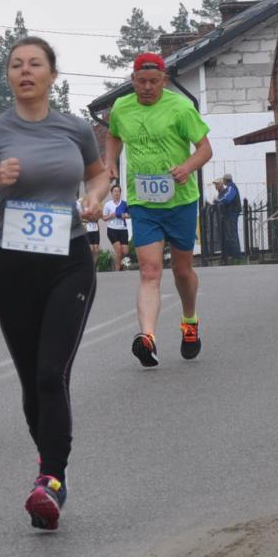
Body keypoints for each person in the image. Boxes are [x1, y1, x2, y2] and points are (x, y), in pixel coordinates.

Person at [0, 36, 110, 532]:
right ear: (8, 76)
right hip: (15, 267)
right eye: (16, 64)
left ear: (52, 75)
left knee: (50, 373)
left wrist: (95, 198)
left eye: (35, 64)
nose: (25, 71)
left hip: (69, 261)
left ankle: (51, 480)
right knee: (30, 380)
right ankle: (47, 474)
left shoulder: (75, 128)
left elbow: (100, 175)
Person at [105, 52, 214, 367]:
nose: (147, 88)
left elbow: (205, 149)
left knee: (182, 270)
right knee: (149, 271)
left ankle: (189, 322)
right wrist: (110, 160)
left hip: (180, 201)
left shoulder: (180, 107)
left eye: (154, 81)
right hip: (143, 203)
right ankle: (148, 338)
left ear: (164, 80)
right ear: (132, 80)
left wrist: (187, 167)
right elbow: (113, 135)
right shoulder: (121, 107)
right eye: (141, 82)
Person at [211, 173, 242, 258]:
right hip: (231, 213)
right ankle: (234, 255)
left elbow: (227, 198)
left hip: (232, 212)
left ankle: (236, 255)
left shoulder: (231, 187)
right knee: (231, 233)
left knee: (232, 233)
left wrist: (218, 201)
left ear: (224, 180)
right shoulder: (231, 187)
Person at [103, 184, 131, 271]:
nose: (116, 193)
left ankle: (120, 265)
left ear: (120, 193)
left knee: (125, 251)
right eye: (115, 191)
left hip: (123, 229)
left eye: (118, 191)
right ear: (111, 193)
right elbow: (104, 218)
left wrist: (125, 216)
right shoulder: (108, 204)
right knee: (118, 250)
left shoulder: (124, 204)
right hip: (112, 229)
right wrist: (111, 216)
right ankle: (117, 269)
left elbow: (130, 215)